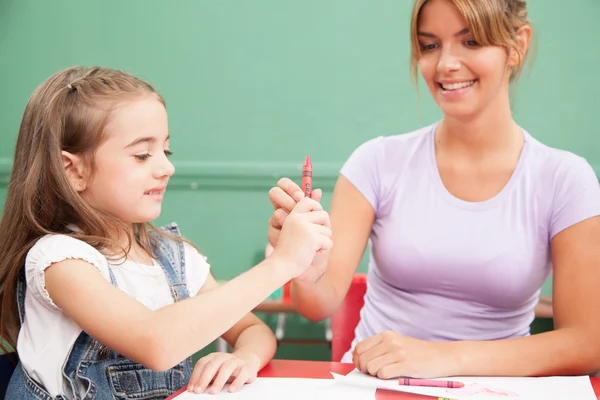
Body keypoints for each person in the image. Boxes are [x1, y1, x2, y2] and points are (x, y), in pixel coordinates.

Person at [266, 0, 600, 379]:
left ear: (518, 45)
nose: (445, 64)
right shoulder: (376, 162)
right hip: (375, 385)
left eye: (471, 42)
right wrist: (304, 265)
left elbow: (587, 343)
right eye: (430, 45)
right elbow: (317, 305)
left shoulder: (565, 179)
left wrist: (441, 358)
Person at [0, 66, 332, 399]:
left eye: (165, 151)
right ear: (74, 171)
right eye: (142, 155)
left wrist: (245, 356)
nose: (167, 167)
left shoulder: (172, 257)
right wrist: (281, 264)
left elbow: (252, 330)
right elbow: (156, 342)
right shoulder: (59, 262)